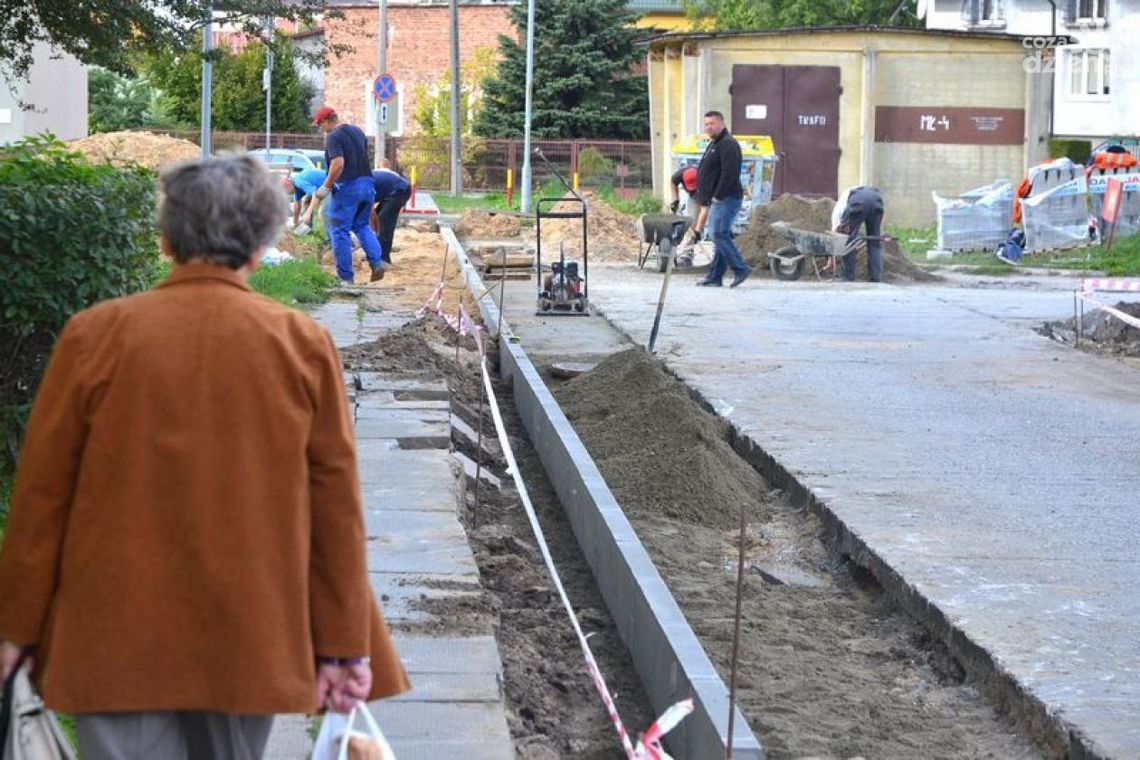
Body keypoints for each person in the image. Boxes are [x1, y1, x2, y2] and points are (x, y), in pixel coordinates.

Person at [0, 154, 409, 759]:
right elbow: (335, 513)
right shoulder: (300, 344)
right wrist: (344, 645)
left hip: (114, 631)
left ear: (166, 240)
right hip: (250, 631)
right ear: (261, 243)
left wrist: (16, 630)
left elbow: (42, 498)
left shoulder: (94, 335)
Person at [312, 106, 386, 284]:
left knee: (339, 231)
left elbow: (338, 164)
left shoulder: (333, 137)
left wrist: (326, 186)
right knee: (361, 225)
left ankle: (346, 278)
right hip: (368, 185)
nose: (321, 129)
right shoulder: (358, 132)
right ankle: (377, 263)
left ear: (328, 121)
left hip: (347, 188)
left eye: (321, 125)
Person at [695, 111, 753, 288]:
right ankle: (715, 276)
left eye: (712, 123)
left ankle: (740, 268)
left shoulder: (728, 144)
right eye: (706, 124)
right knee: (721, 235)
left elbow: (730, 173)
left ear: (721, 123)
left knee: (718, 234)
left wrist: (718, 195)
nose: (708, 127)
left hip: (726, 198)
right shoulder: (715, 143)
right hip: (720, 199)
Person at [833, 185, 885, 282]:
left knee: (848, 239)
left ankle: (848, 275)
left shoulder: (838, 208)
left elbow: (837, 227)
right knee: (874, 239)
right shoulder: (854, 192)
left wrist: (837, 238)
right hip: (877, 201)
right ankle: (876, 275)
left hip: (858, 203)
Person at [369, 159, 412, 272]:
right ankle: (378, 252)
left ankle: (384, 260)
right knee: (380, 218)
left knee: (384, 219)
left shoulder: (362, 186)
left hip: (401, 190)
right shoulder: (360, 182)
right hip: (389, 192)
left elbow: (371, 214)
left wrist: (375, 231)